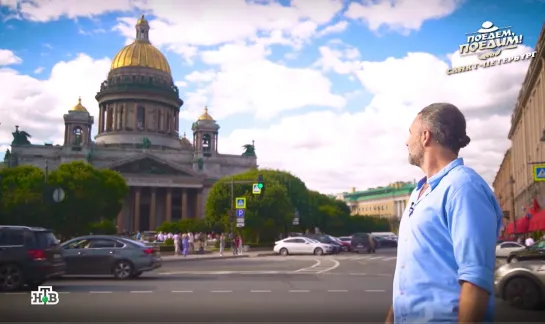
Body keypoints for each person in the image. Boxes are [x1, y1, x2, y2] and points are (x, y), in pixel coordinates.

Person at [386, 103, 502, 323]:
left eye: (410, 134)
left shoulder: (463, 188)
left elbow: (475, 280)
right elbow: (413, 271)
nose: (406, 141)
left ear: (425, 136)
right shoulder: (419, 192)